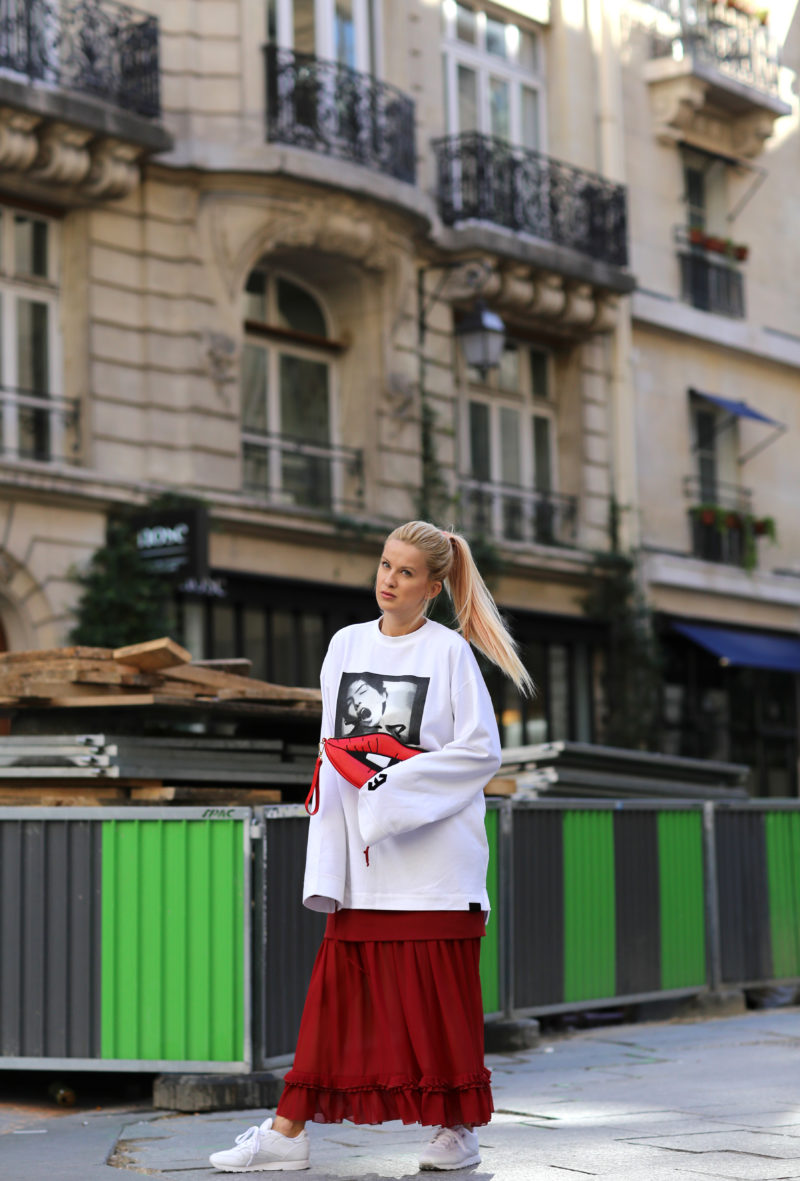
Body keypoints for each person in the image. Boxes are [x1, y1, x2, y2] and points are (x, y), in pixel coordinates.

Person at [209, 520, 533, 1173]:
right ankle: (286, 1131)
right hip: (363, 862)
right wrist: (340, 835)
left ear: (434, 586)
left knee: (440, 1005)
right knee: (336, 1001)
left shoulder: (449, 653)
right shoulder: (344, 644)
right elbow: (330, 755)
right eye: (385, 564)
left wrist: (386, 778)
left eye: (406, 571)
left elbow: (480, 753)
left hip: (437, 864)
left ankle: (456, 1128)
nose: (389, 579)